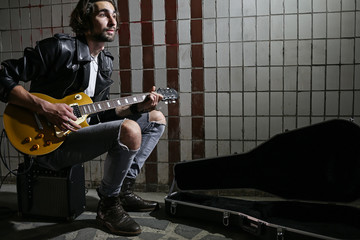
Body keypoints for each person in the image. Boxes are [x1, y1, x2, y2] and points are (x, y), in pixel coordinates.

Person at [0, 0, 166, 236]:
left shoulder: (105, 62)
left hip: (77, 133)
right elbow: (3, 77)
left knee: (156, 118)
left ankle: (121, 192)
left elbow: (100, 116)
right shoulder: (59, 48)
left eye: (114, 15)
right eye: (103, 14)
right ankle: (108, 205)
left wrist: (137, 107)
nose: (113, 21)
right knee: (129, 130)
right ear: (85, 20)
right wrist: (45, 108)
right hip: (47, 143)